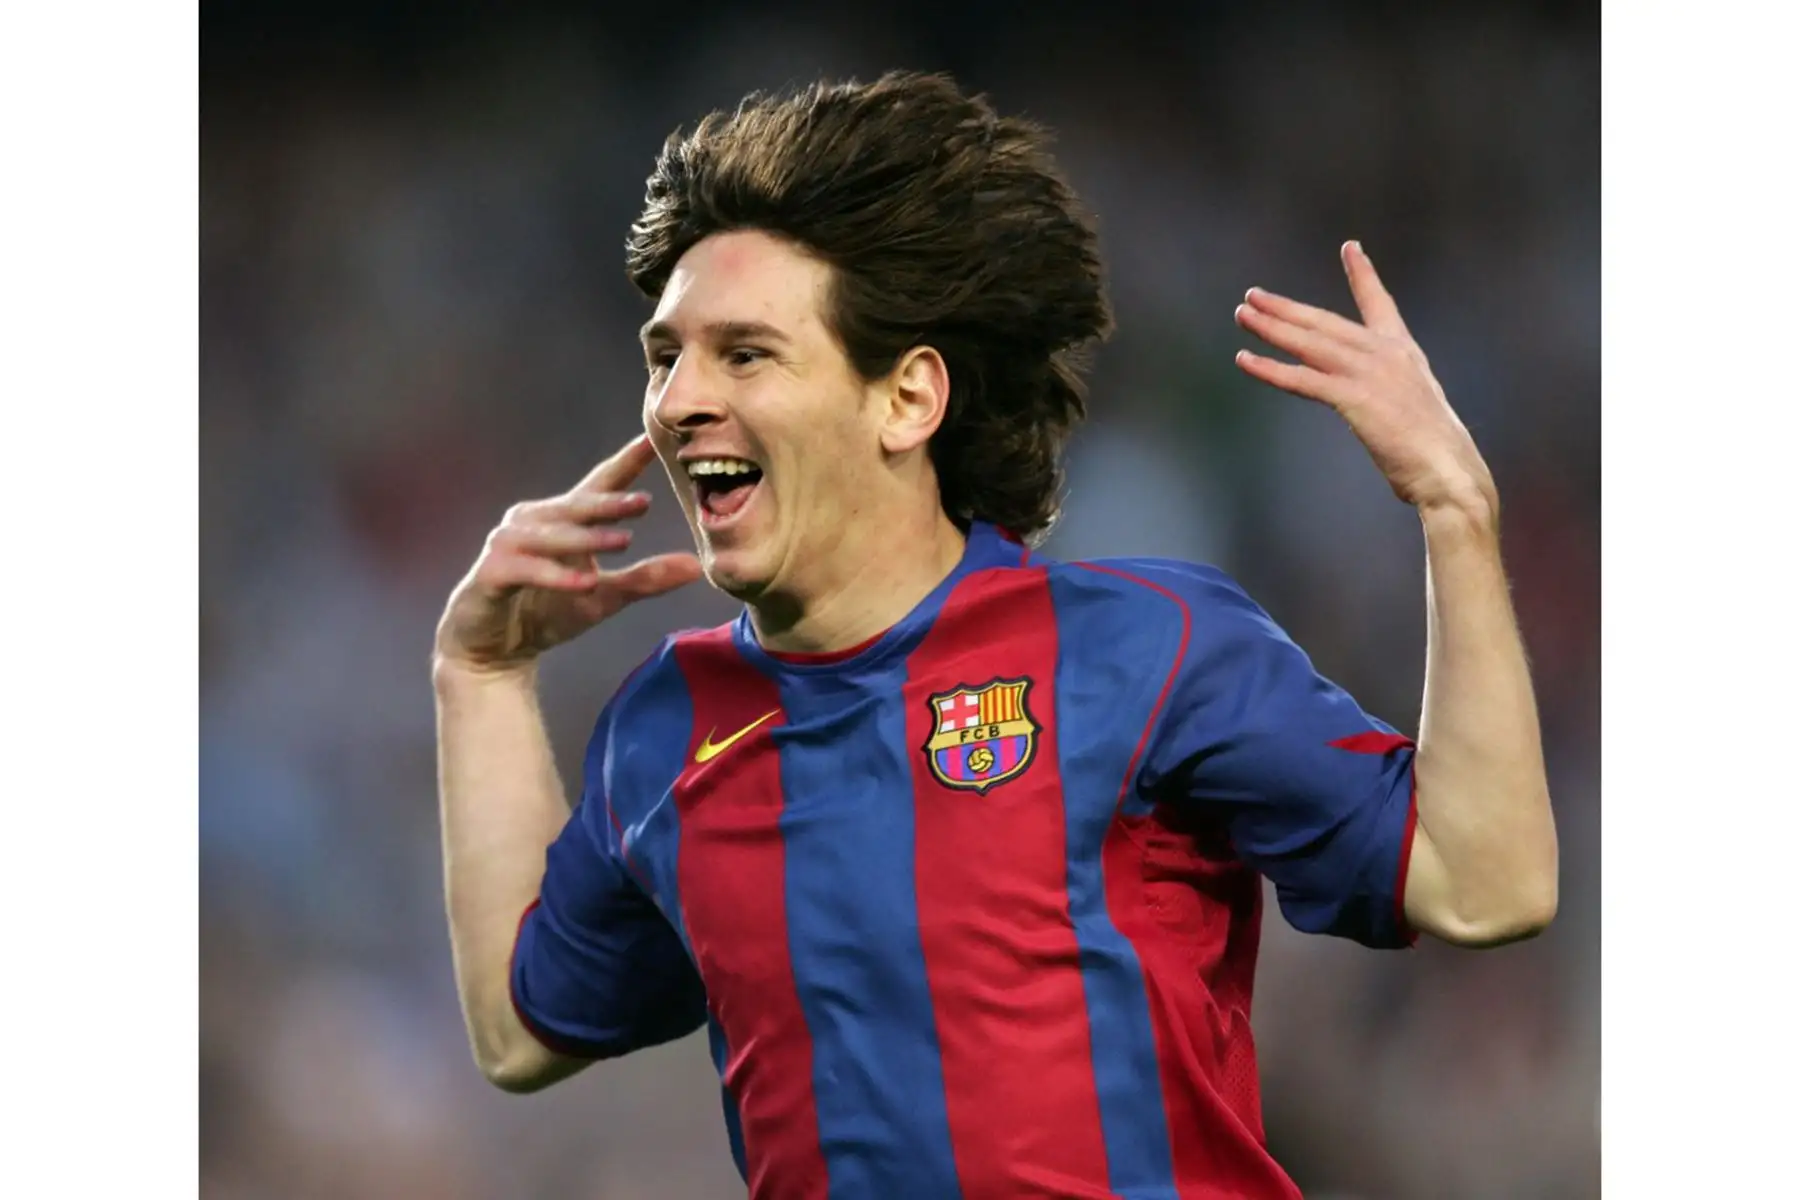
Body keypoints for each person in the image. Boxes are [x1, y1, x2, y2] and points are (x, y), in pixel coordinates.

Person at [432, 71, 1558, 1200]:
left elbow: (1482, 884)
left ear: (908, 399)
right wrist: (478, 671)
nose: (677, 400)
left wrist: (1458, 512)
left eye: (745, 353)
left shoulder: (1141, 649)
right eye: (664, 355)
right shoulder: (666, 728)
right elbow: (523, 1031)